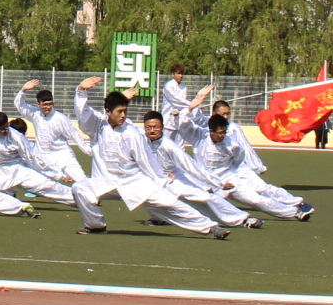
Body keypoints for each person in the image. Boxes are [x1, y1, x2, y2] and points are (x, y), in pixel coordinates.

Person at [69, 77, 229, 239]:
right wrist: (81, 90)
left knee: (169, 203)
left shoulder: (132, 133)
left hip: (133, 181)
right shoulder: (98, 126)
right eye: (119, 111)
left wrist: (161, 178)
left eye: (125, 111)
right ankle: (95, 226)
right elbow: (83, 114)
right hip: (104, 181)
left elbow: (146, 161)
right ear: (108, 112)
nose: (123, 115)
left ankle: (211, 228)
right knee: (80, 188)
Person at [197, 105, 313, 220]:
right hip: (211, 178)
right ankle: (241, 220)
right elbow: (190, 120)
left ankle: (297, 206)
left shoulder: (233, 131)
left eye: (228, 114)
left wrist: (254, 166)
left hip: (235, 171)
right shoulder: (201, 132)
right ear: (214, 114)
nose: (226, 117)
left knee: (260, 190)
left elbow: (243, 151)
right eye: (223, 114)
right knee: (207, 201)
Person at [13, 80, 89, 184]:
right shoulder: (35, 114)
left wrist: (89, 151)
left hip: (63, 154)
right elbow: (20, 105)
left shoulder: (60, 118)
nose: (48, 107)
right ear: (38, 104)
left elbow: (74, 135)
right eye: (45, 104)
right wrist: (23, 90)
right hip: (43, 156)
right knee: (37, 182)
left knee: (82, 180)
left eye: (50, 104)